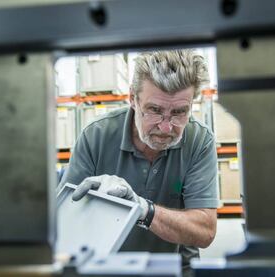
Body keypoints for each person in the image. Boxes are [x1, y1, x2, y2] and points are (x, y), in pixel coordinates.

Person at [60, 49, 219, 276]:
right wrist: (98, 201)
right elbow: (67, 224)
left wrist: (143, 209)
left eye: (179, 112)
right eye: (154, 110)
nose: (166, 127)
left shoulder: (199, 141)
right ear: (133, 98)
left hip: (173, 269)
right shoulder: (96, 136)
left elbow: (205, 231)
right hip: (105, 269)